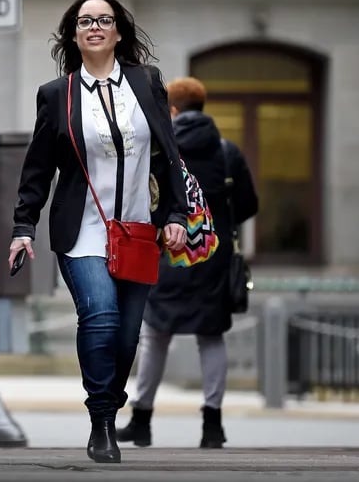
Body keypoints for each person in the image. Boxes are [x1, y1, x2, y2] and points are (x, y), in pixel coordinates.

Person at [8, 0, 188, 464]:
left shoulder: (146, 83)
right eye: (84, 21)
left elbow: (168, 155)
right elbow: (37, 168)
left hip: (137, 230)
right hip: (83, 229)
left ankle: (108, 399)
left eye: (103, 20)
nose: (94, 27)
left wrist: (175, 215)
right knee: (101, 317)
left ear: (118, 32)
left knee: (127, 336)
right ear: (74, 34)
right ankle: (102, 420)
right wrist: (24, 225)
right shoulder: (57, 94)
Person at [117, 77, 258, 449]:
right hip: (213, 257)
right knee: (211, 337)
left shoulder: (160, 149)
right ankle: (213, 425)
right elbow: (248, 205)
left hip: (168, 255)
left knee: (155, 335)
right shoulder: (227, 152)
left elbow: (141, 198)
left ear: (173, 110)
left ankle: (141, 420)